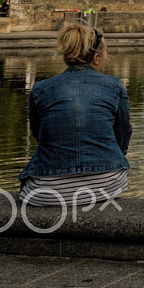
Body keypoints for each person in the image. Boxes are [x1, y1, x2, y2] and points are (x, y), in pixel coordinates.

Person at [19, 26, 131, 206]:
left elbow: (39, 134)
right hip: (107, 183)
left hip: (47, 190)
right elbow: (123, 135)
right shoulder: (114, 86)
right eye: (105, 55)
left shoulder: (40, 89)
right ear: (96, 59)